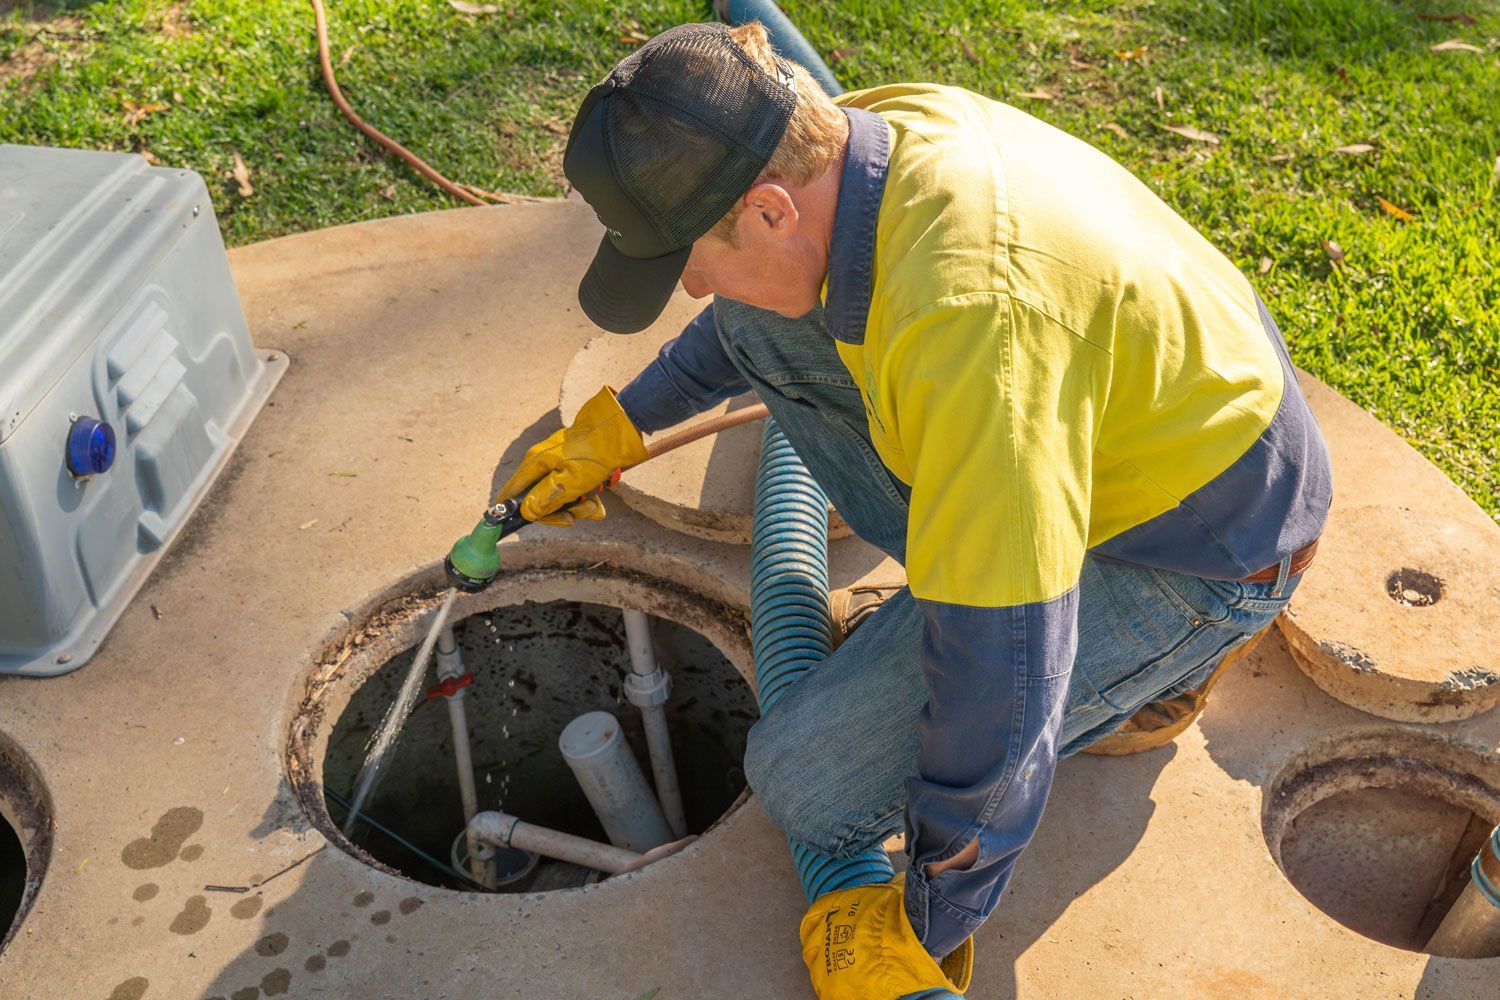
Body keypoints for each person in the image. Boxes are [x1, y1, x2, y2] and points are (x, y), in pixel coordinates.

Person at [495, 20, 1332, 999]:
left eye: (686, 257)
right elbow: (742, 318)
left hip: (1199, 547)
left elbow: (1005, 668)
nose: (686, 284)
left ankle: (1164, 670)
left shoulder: (971, 334)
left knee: (808, 784)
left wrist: (929, 915)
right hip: (1144, 419)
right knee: (759, 324)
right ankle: (994, 606)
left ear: (766, 212)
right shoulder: (844, 143)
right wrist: (621, 426)